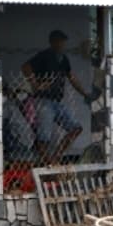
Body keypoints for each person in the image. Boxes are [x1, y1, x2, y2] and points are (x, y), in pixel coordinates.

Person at [22, 29, 93, 163]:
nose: (62, 45)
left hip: (57, 102)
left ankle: (56, 157)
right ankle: (46, 163)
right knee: (44, 137)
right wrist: (35, 84)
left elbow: (71, 77)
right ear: (52, 42)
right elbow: (25, 67)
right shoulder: (45, 55)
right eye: (60, 42)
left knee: (76, 128)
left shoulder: (63, 58)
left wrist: (84, 93)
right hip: (43, 100)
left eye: (63, 42)